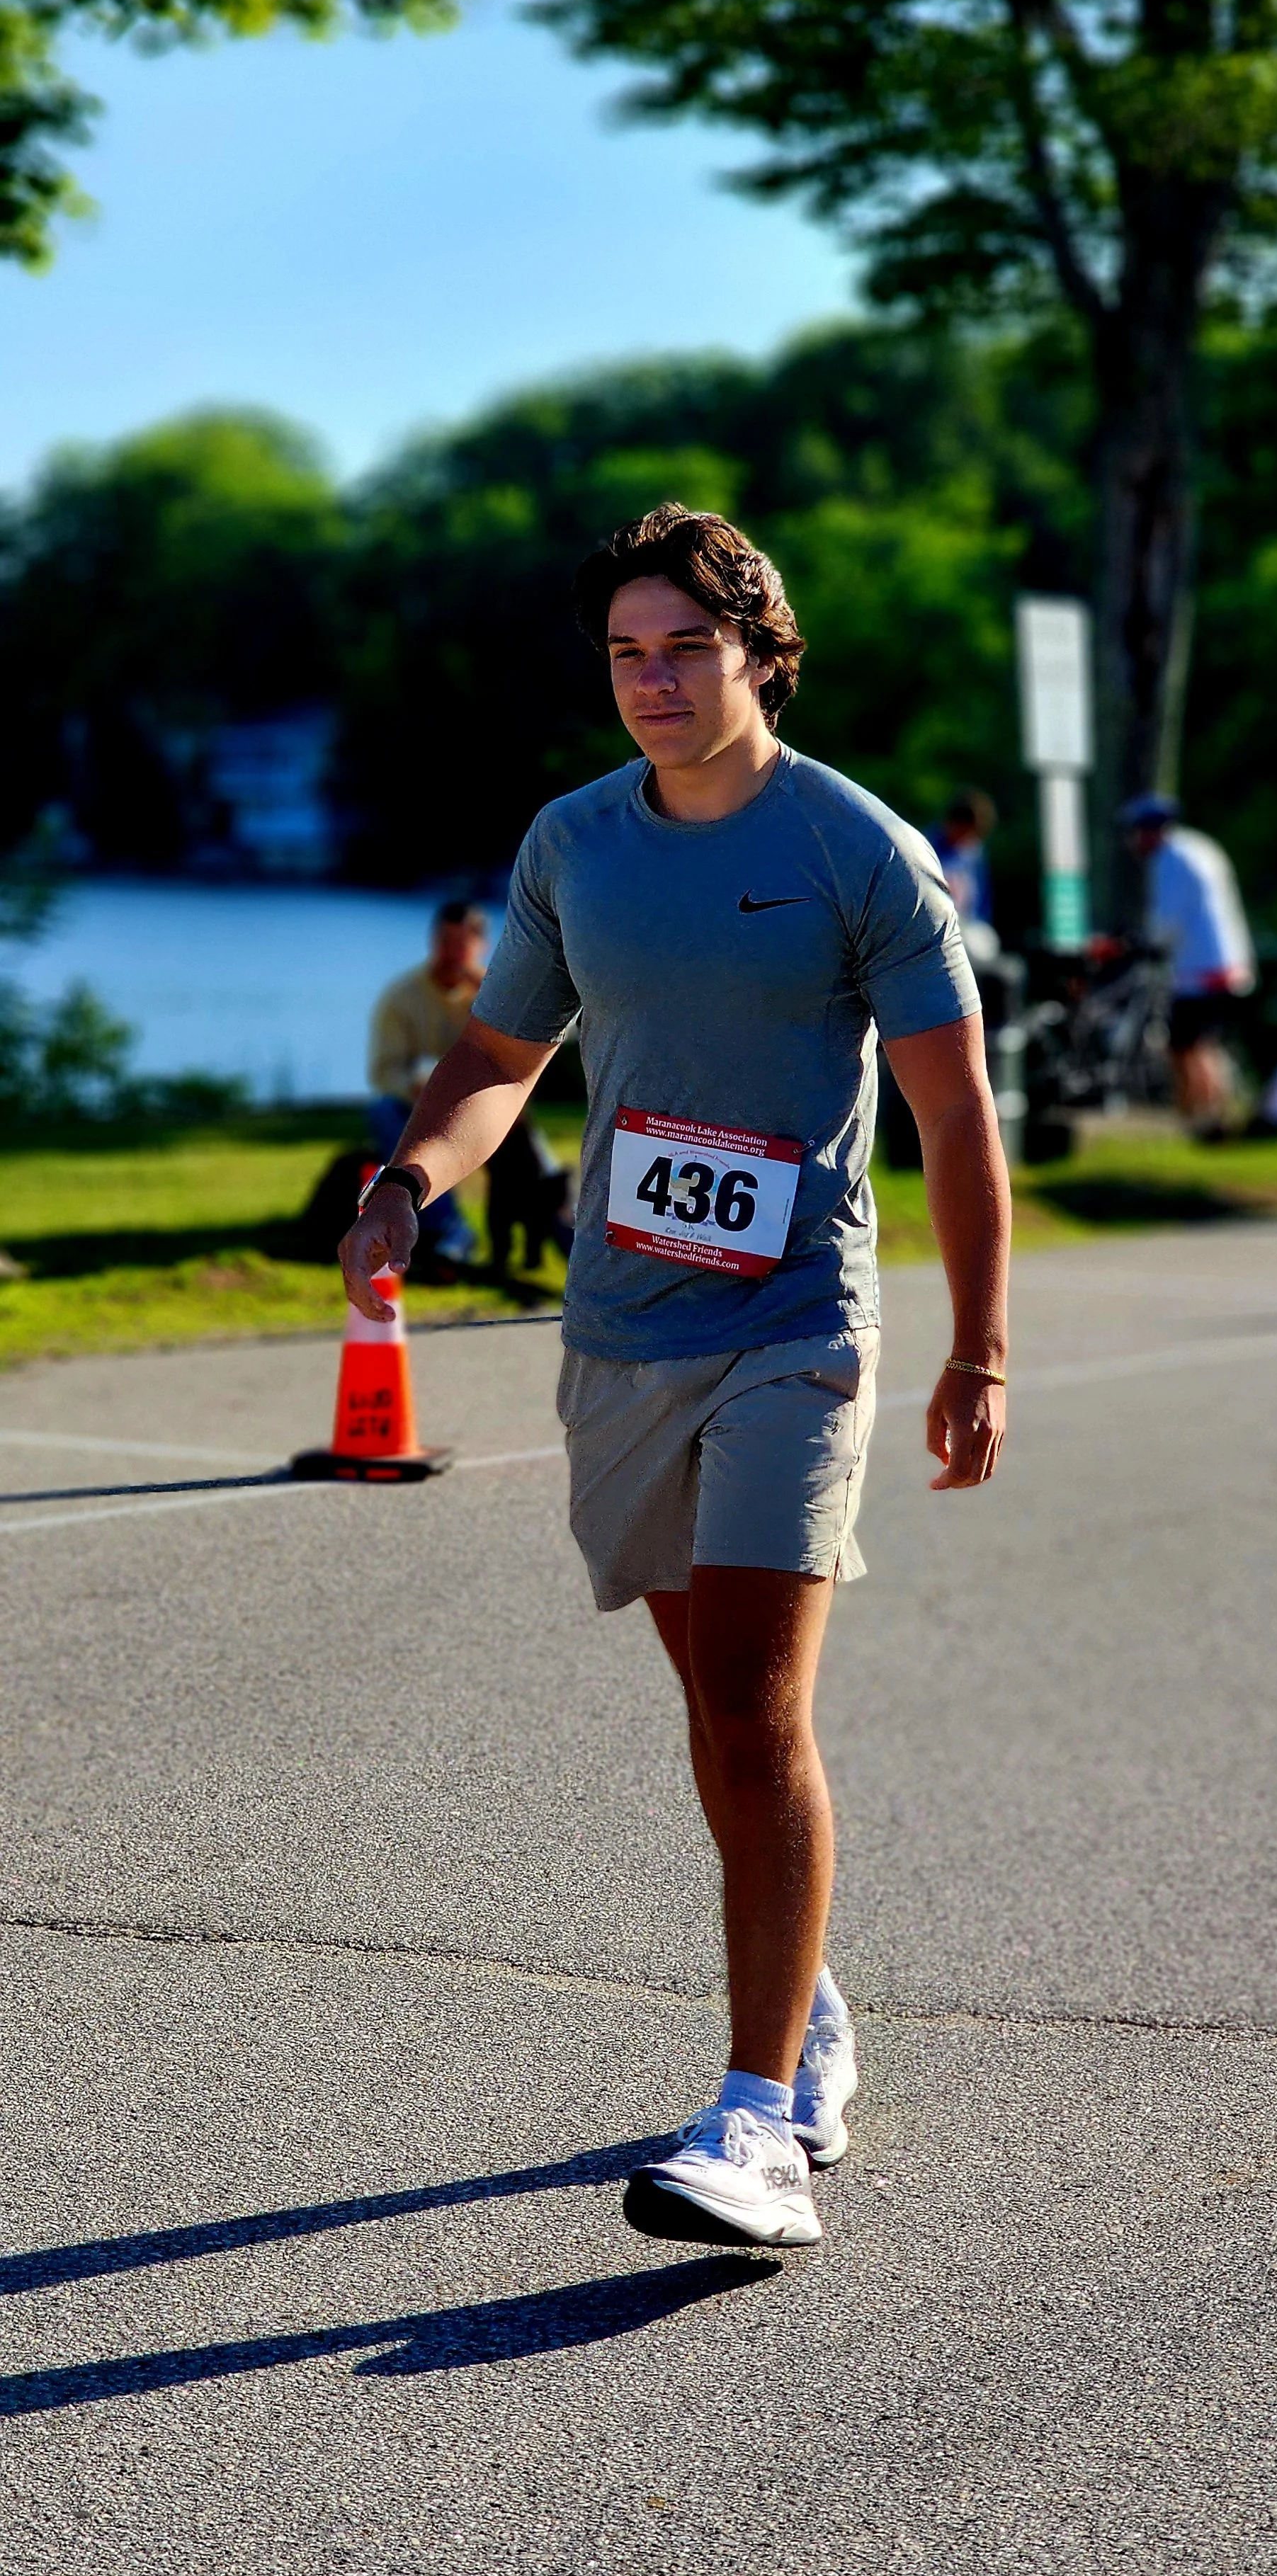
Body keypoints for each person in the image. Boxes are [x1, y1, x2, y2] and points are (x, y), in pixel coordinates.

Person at [340, 503, 1010, 2253]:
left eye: (682, 647)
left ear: (755, 650)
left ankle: (755, 2120)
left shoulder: (853, 848)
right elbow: (499, 1052)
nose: (650, 679)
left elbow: (949, 1112)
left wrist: (979, 1351)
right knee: (711, 1712)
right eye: (625, 652)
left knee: (749, 1710)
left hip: (798, 1325)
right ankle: (807, 2007)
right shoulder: (574, 843)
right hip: (622, 1330)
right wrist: (414, 1175)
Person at [1120, 794, 1257, 1132]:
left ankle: (1201, 1116)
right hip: (1229, 961)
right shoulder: (1201, 847)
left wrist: (1141, 943)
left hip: (1201, 968)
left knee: (1187, 1045)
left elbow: (1167, 920)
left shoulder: (1171, 859)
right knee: (1203, 1042)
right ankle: (1211, 1113)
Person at [368, 901, 489, 1265]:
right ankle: (449, 1228)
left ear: (480, 947)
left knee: (536, 1156)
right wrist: (414, 1087)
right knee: (384, 1112)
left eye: (462, 943)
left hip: (484, 1107)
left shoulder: (498, 996)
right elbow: (384, 1071)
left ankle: (579, 1248)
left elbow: (562, 1038)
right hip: (417, 1105)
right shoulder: (402, 997)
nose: (452, 953)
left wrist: (486, 988)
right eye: (445, 941)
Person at [926, 790, 997, 930]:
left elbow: (982, 902)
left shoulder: (974, 852)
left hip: (969, 925)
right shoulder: (927, 846)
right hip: (936, 923)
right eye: (965, 833)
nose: (967, 840)